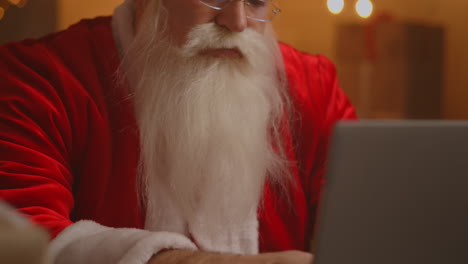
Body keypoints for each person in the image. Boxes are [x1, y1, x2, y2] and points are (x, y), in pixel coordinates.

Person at [0, 0, 356, 263]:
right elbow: (22, 240)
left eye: (256, 2)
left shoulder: (314, 89)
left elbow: (365, 227)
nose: (237, 21)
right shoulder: (40, 80)